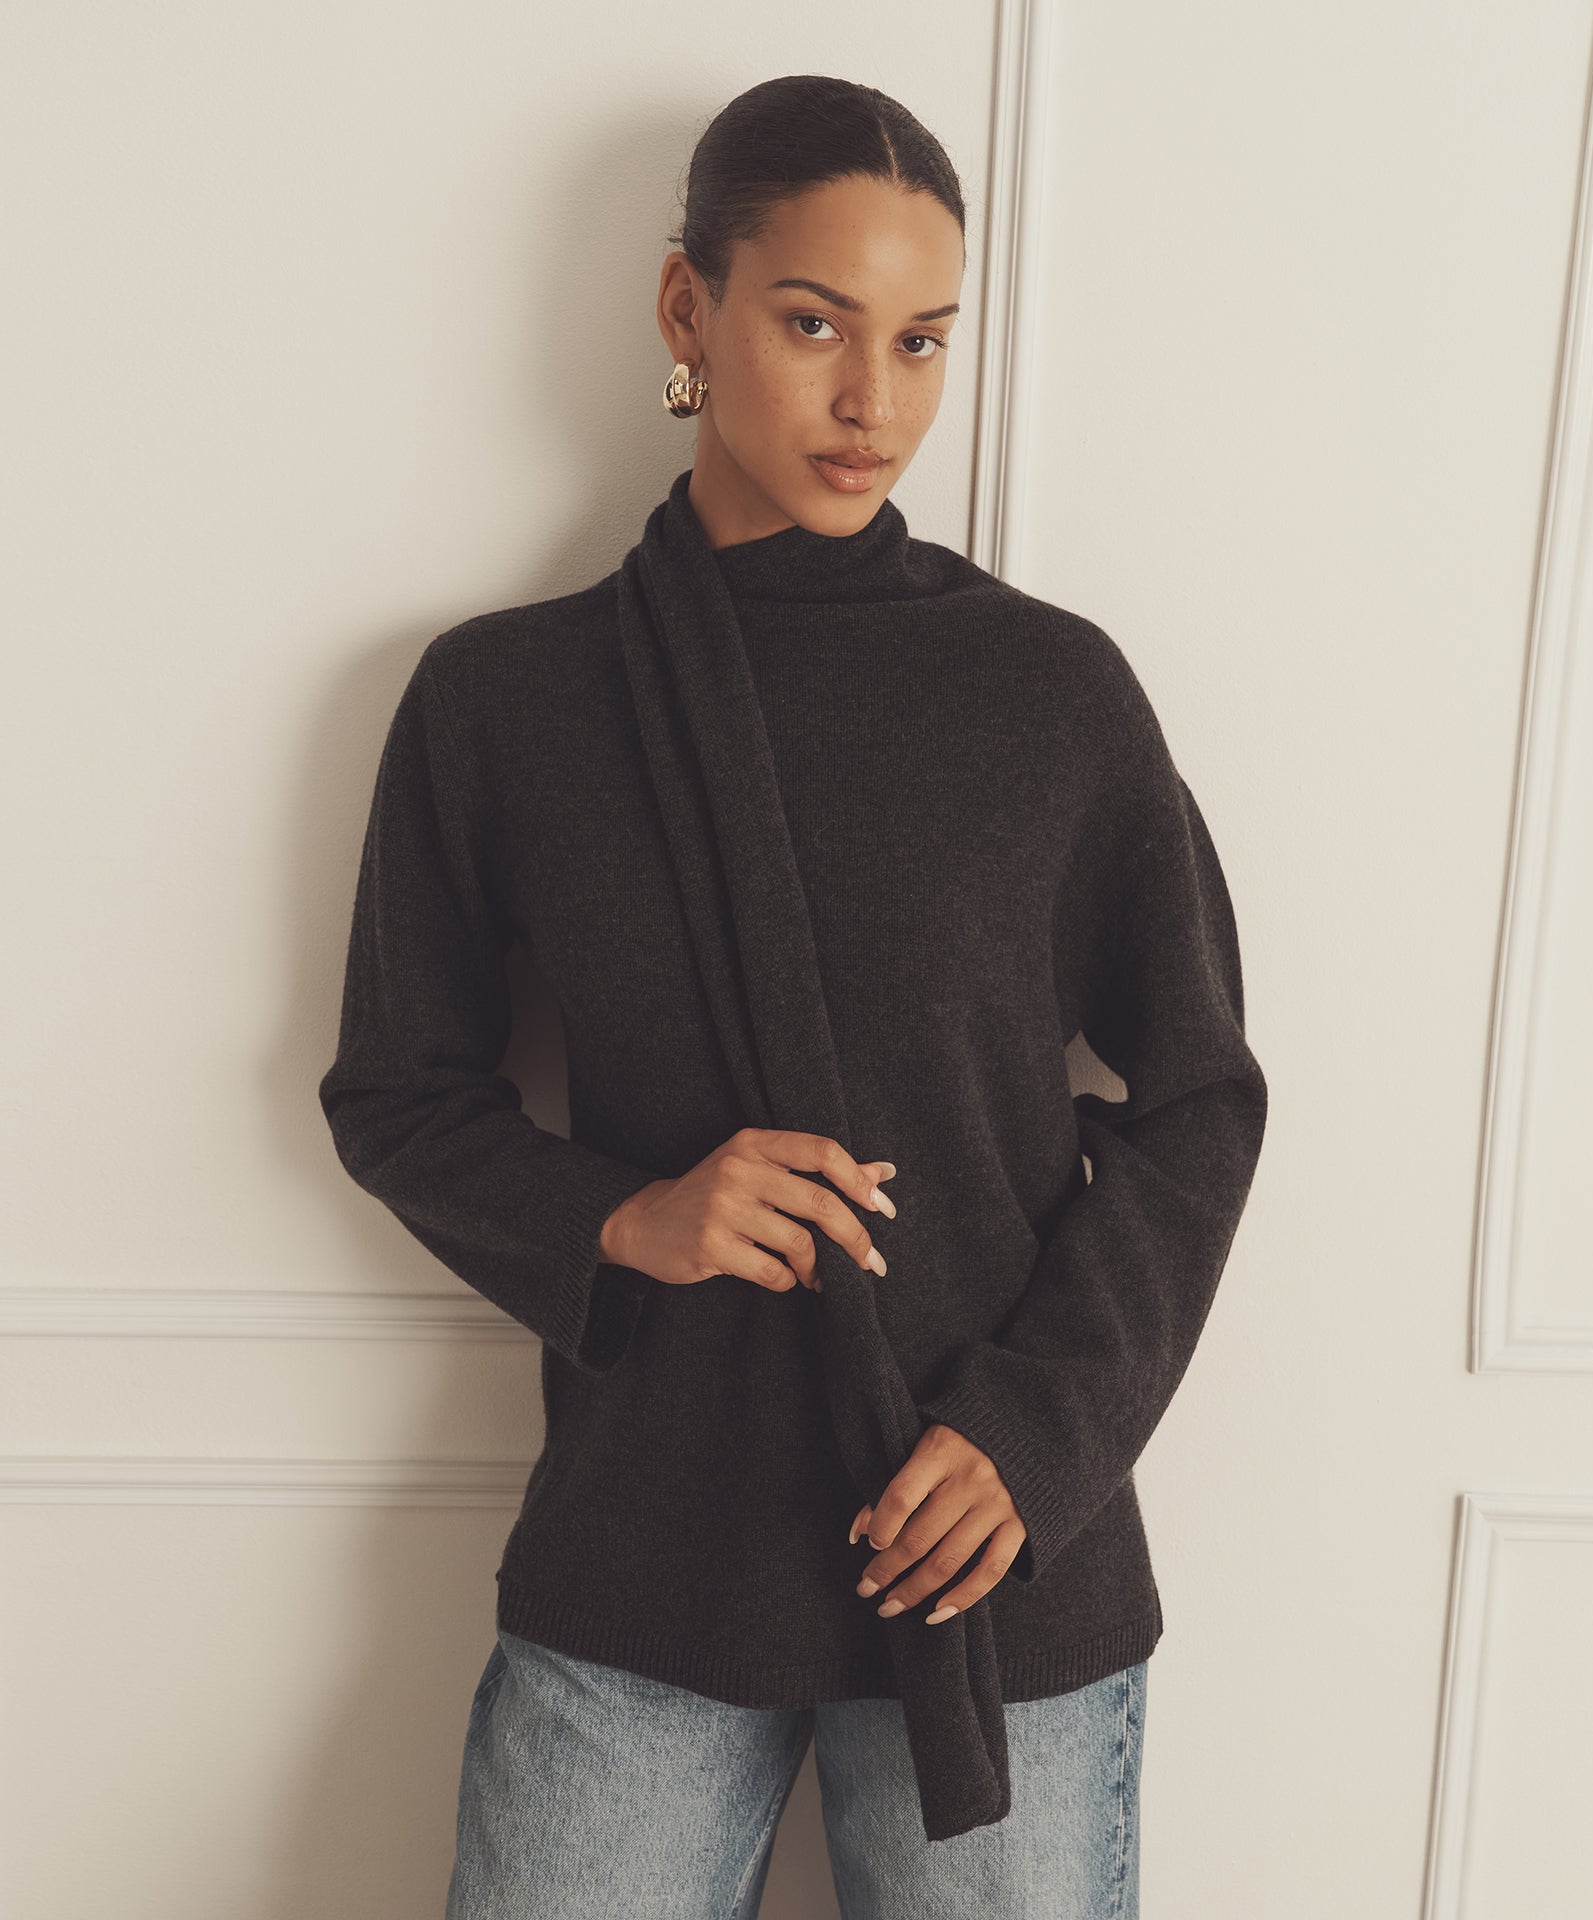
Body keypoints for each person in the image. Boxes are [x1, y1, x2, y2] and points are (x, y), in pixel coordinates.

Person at [317, 73, 1268, 1920]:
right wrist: (628, 1219)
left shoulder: (1049, 693)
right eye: (815, 323)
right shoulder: (510, 702)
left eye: (921, 340)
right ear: (690, 310)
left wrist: (1038, 1435)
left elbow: (1201, 1096)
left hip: (988, 1547)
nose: (873, 404)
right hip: (653, 1541)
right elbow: (397, 1089)